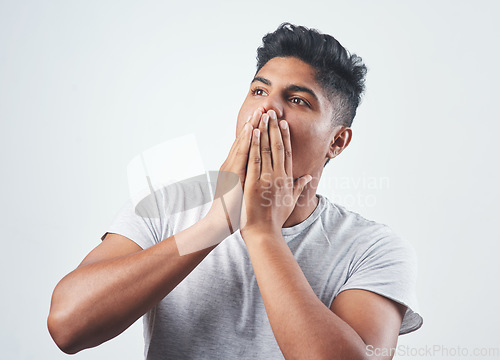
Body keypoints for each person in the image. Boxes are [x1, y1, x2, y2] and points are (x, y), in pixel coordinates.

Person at [48, 22, 423, 359]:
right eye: (259, 91)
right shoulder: (166, 206)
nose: (266, 111)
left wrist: (262, 233)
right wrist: (214, 225)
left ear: (337, 142)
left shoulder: (372, 248)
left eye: (297, 100)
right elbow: (67, 326)